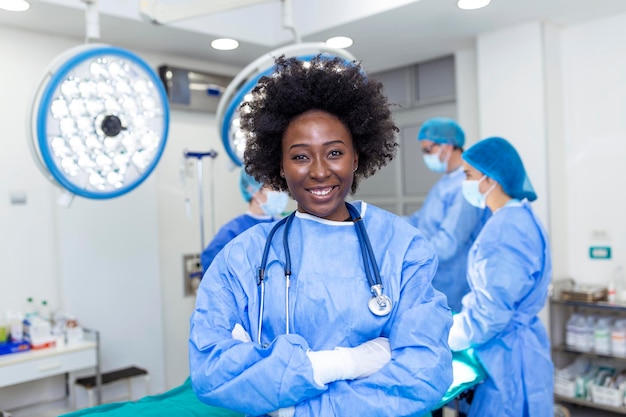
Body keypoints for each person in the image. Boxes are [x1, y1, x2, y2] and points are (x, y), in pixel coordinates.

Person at [189, 54, 453, 417]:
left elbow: (425, 372)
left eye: (334, 153)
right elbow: (211, 372)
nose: (319, 172)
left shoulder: (402, 248)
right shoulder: (244, 257)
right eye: (300, 157)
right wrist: (345, 363)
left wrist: (296, 407)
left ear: (356, 157)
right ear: (279, 165)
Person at [448, 137, 553, 416]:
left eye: (468, 175)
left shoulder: (504, 231)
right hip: (522, 350)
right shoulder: (522, 217)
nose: (465, 183)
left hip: (507, 358)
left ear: (490, 178)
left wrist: (444, 335)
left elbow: (490, 314)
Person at [405, 117, 489, 313]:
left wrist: (410, 256)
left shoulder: (464, 186)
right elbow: (422, 219)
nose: (426, 156)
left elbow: (448, 243)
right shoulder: (446, 182)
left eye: (428, 150)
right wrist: (386, 225)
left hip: (452, 280)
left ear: (448, 146)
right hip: (436, 277)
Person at [200, 170, 289, 272]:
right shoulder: (232, 232)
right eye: (274, 188)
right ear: (252, 190)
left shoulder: (284, 227)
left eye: (282, 188)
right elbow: (213, 272)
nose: (280, 193)